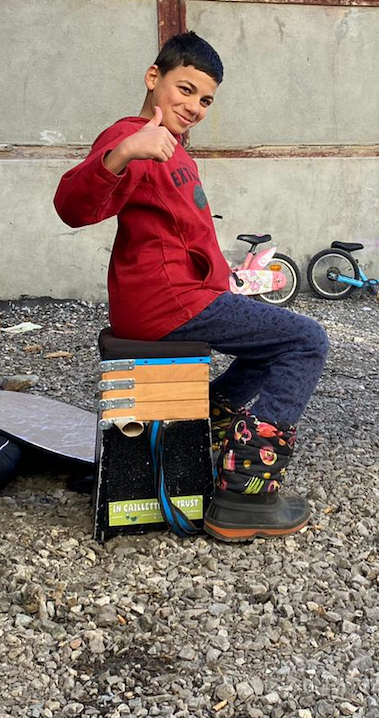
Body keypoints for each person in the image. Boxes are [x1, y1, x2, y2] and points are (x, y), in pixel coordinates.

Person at [54, 32, 328, 540]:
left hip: (181, 295)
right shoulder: (133, 136)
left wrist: (227, 281)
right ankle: (246, 494)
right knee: (306, 340)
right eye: (184, 90)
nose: (194, 106)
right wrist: (122, 154)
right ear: (152, 78)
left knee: (267, 351)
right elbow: (73, 207)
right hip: (167, 302)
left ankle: (194, 440)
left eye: (205, 99)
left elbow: (186, 235)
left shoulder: (172, 147)